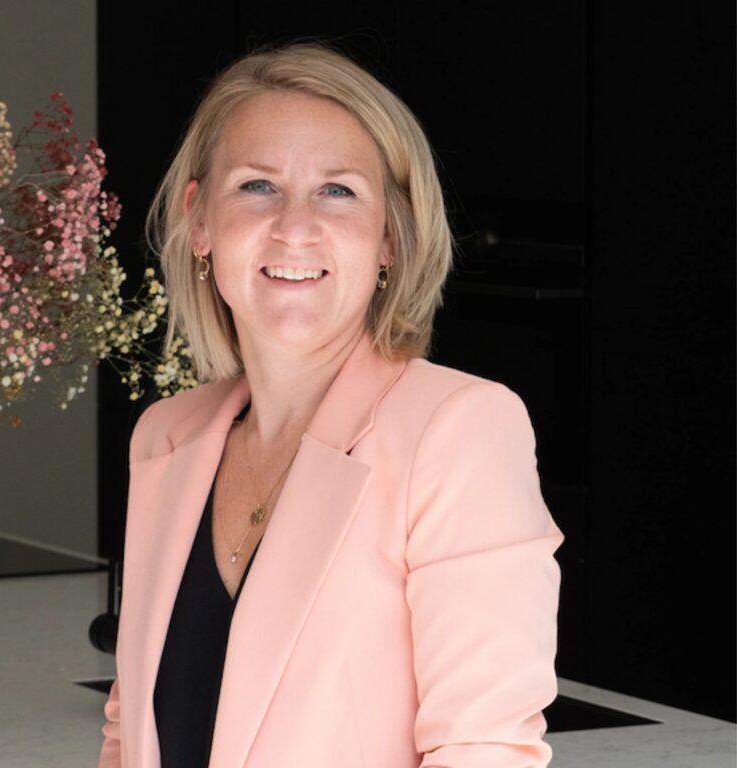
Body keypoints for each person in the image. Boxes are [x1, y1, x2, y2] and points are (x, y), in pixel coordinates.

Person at [98, 43, 563, 768]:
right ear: (200, 222)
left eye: (338, 191)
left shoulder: (460, 428)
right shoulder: (165, 436)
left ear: (389, 237)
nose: (293, 226)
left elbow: (484, 749)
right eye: (257, 186)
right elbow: (129, 734)